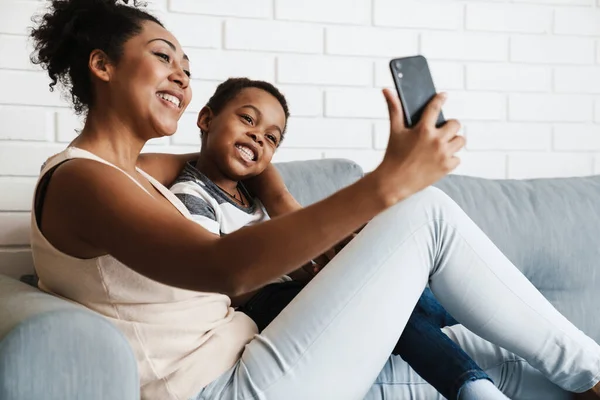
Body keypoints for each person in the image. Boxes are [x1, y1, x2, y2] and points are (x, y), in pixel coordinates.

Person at [28, 1, 600, 400]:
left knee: (495, 363)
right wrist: (389, 181)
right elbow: (222, 266)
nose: (181, 75)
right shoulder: (83, 182)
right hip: (223, 388)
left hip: (261, 356)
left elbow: (206, 163)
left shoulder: (133, 174)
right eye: (162, 57)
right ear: (102, 64)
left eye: (186, 67)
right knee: (424, 215)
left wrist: (272, 187)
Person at [168, 76, 509, 400]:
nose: (258, 137)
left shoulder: (252, 195)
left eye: (272, 138)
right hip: (260, 304)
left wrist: (312, 270)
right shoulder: (192, 194)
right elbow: (215, 281)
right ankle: (473, 386)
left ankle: (464, 321)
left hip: (285, 289)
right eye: (248, 120)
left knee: (400, 288)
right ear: (206, 119)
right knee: (379, 301)